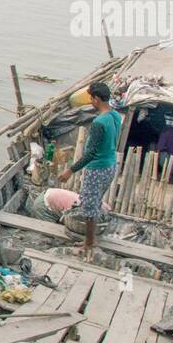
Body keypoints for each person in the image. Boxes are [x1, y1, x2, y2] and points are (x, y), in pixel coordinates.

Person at [59, 81, 122, 258]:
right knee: (94, 202)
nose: (91, 102)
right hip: (110, 164)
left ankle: (89, 242)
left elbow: (90, 153)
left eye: (92, 99)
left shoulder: (98, 123)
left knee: (89, 206)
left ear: (96, 99)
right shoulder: (115, 115)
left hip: (97, 168)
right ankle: (91, 239)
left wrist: (70, 171)